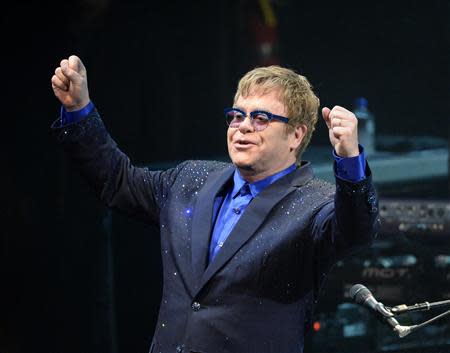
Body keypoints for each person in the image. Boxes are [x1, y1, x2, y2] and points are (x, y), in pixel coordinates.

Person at [51, 55, 379, 353]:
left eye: (261, 118)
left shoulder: (313, 204)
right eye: (236, 116)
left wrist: (348, 159)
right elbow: (117, 181)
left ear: (296, 135)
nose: (243, 126)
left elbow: (356, 230)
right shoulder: (190, 180)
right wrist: (79, 109)